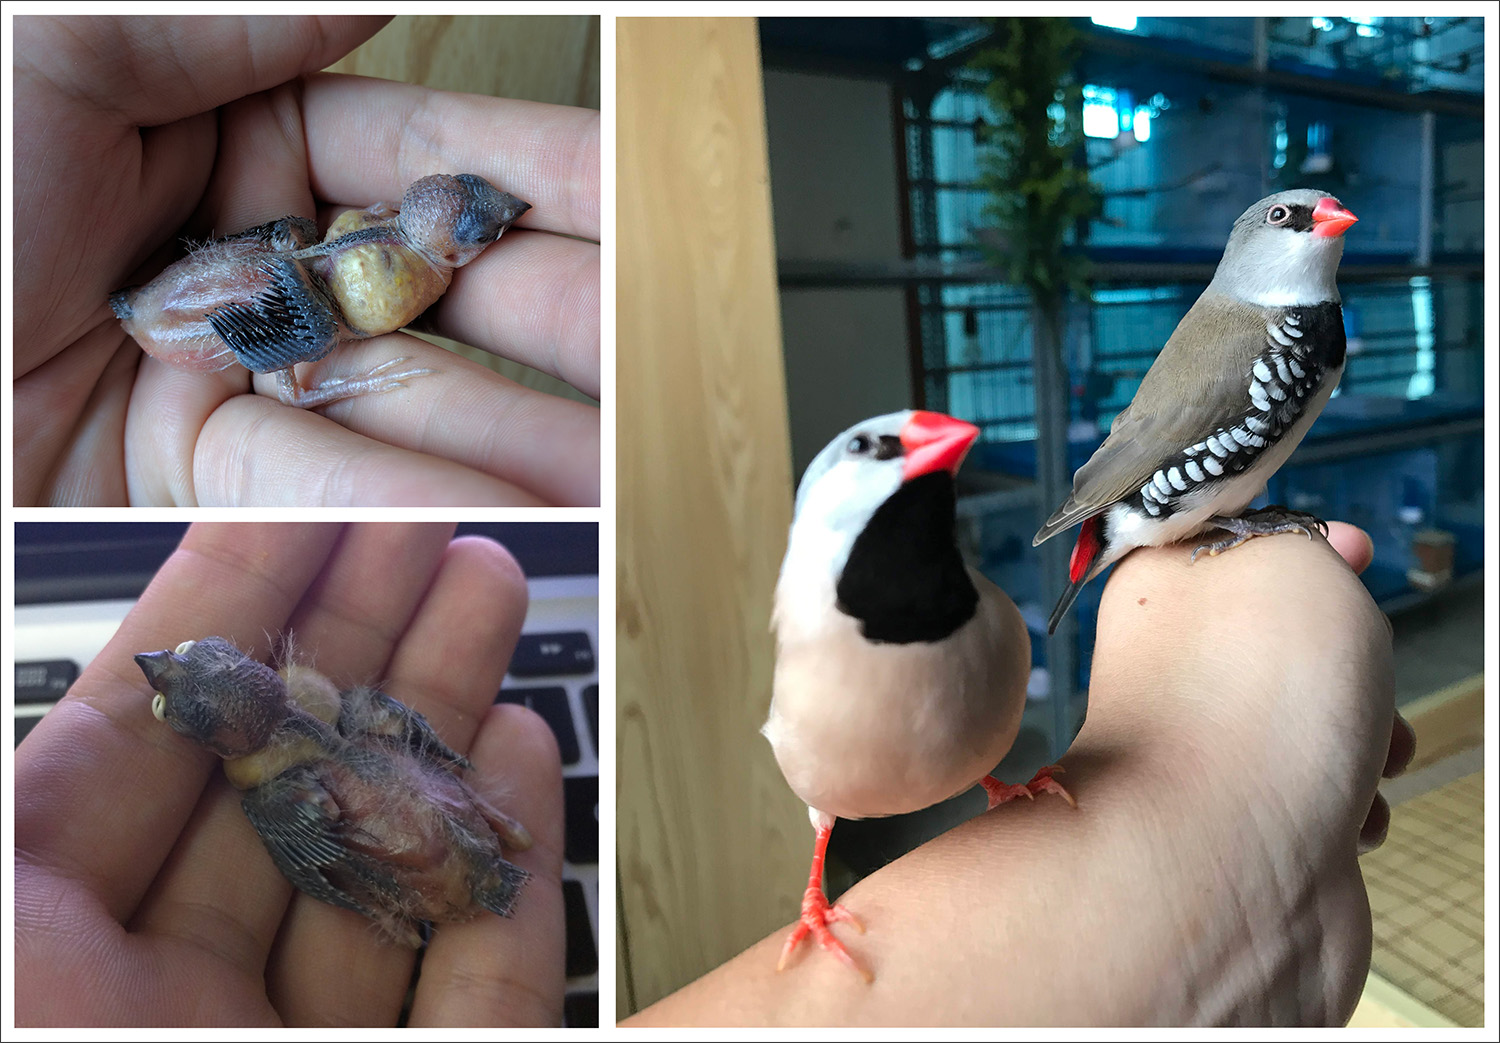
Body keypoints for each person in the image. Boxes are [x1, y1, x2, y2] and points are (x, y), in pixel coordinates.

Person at [627, 521, 1412, 1026]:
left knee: (984, 751)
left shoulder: (987, 626)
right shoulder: (815, 663)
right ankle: (1231, 862)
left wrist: (1002, 781)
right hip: (837, 804)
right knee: (828, 842)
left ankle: (1237, 867)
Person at [12, 16, 600, 506]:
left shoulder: (385, 234)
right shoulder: (405, 264)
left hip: (274, 287)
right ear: (455, 245)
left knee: (300, 279)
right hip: (264, 308)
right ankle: (282, 357)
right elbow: (346, 283)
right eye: (484, 230)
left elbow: (347, 245)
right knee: (309, 317)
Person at [13, 523, 566, 1026]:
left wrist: (367, 902)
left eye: (181, 653)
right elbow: (397, 738)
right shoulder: (341, 712)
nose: (157, 660)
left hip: (424, 874)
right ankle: (501, 836)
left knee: (384, 844)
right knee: (429, 786)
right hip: (442, 826)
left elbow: (316, 866)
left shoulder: (273, 798)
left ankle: (465, 883)